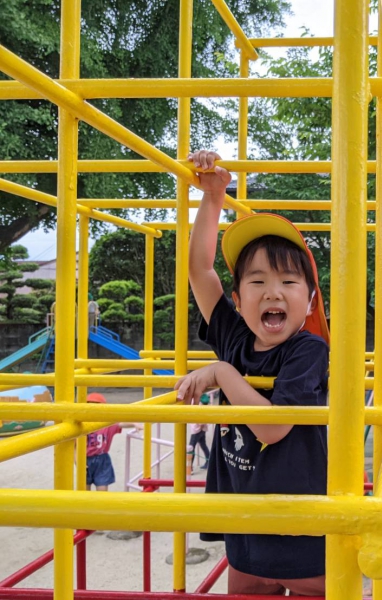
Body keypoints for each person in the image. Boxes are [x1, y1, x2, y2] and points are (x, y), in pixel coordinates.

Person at [173, 150, 330, 596]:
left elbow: (273, 427)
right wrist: (213, 198)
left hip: (299, 524)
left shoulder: (308, 349)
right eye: (257, 281)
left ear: (310, 300)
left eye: (288, 282)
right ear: (239, 300)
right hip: (244, 520)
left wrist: (223, 373)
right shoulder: (235, 337)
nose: (272, 292)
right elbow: (200, 270)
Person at [83, 392, 142, 492]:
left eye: (97, 408)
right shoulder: (82, 425)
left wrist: (133, 423)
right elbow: (75, 447)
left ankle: (101, 502)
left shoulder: (107, 424)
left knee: (102, 489)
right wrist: (77, 460)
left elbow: (120, 423)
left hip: (102, 459)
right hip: (85, 459)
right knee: (84, 489)